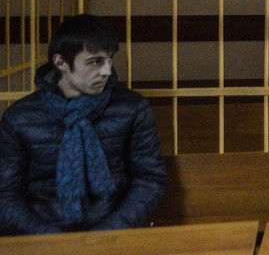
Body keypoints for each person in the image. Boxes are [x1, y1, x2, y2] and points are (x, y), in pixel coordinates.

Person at [0, 14, 167, 235]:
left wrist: (105, 235)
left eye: (109, 59)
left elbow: (150, 179)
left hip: (113, 232)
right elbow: (5, 194)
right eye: (95, 62)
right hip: (42, 236)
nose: (107, 71)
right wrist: (49, 239)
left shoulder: (132, 108)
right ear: (60, 62)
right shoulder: (19, 118)